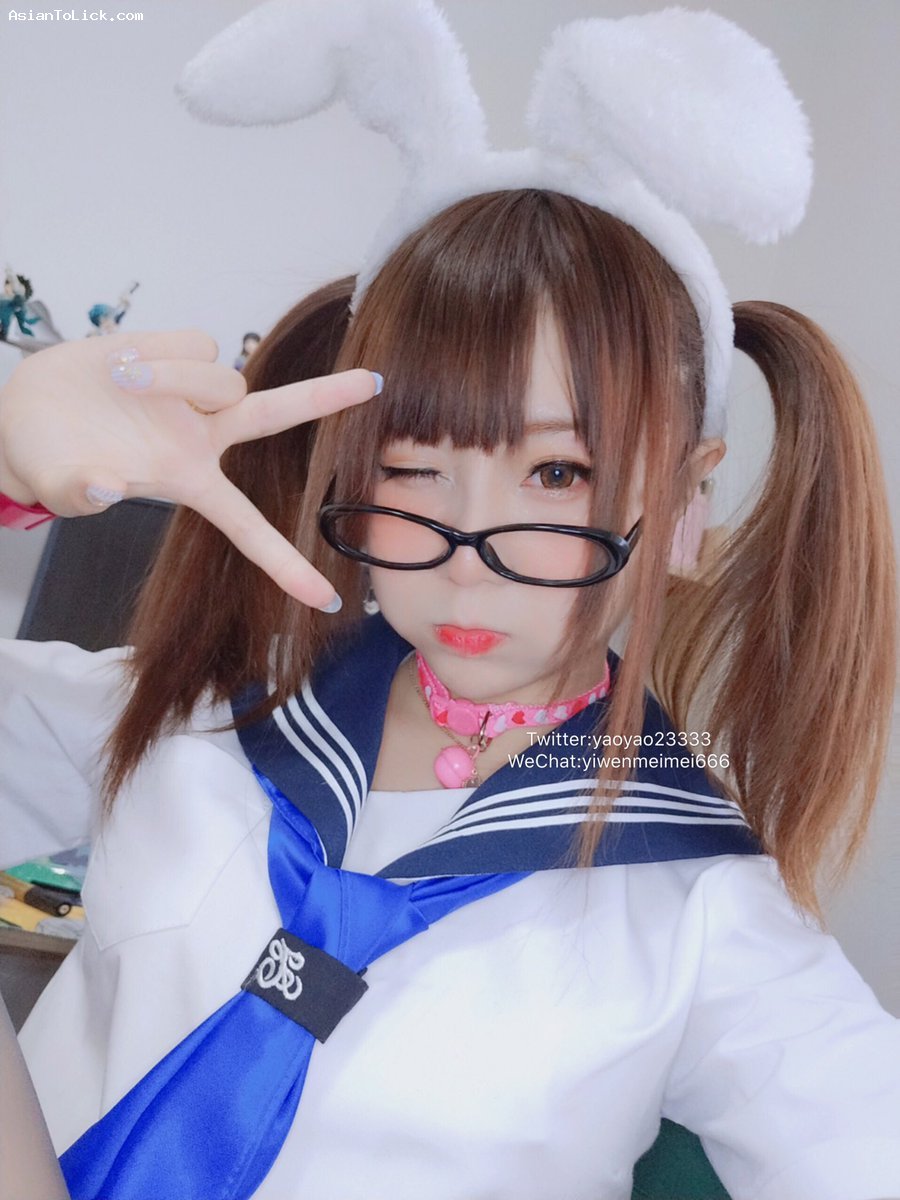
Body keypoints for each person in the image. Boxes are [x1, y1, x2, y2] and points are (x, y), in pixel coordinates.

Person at [1, 7, 899, 1200]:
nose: (467, 560)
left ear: (686, 501)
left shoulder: (702, 906)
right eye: (413, 469)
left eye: (558, 475)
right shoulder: (191, 715)